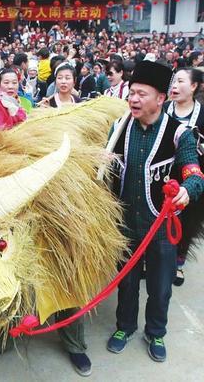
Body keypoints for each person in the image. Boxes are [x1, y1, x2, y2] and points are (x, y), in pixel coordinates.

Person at [106, 61, 204, 363]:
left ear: (160, 99)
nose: (133, 99)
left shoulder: (180, 133)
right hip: (126, 224)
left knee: (160, 288)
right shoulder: (118, 128)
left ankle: (156, 332)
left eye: (141, 94)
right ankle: (124, 327)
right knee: (127, 283)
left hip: (161, 228)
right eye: (131, 93)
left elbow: (195, 173)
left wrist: (188, 189)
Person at [163, 67, 204, 287]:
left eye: (180, 82)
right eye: (173, 82)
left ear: (194, 86)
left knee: (187, 221)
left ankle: (178, 263)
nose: (175, 87)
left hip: (193, 175)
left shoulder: (202, 113)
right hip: (165, 175)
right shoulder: (164, 108)